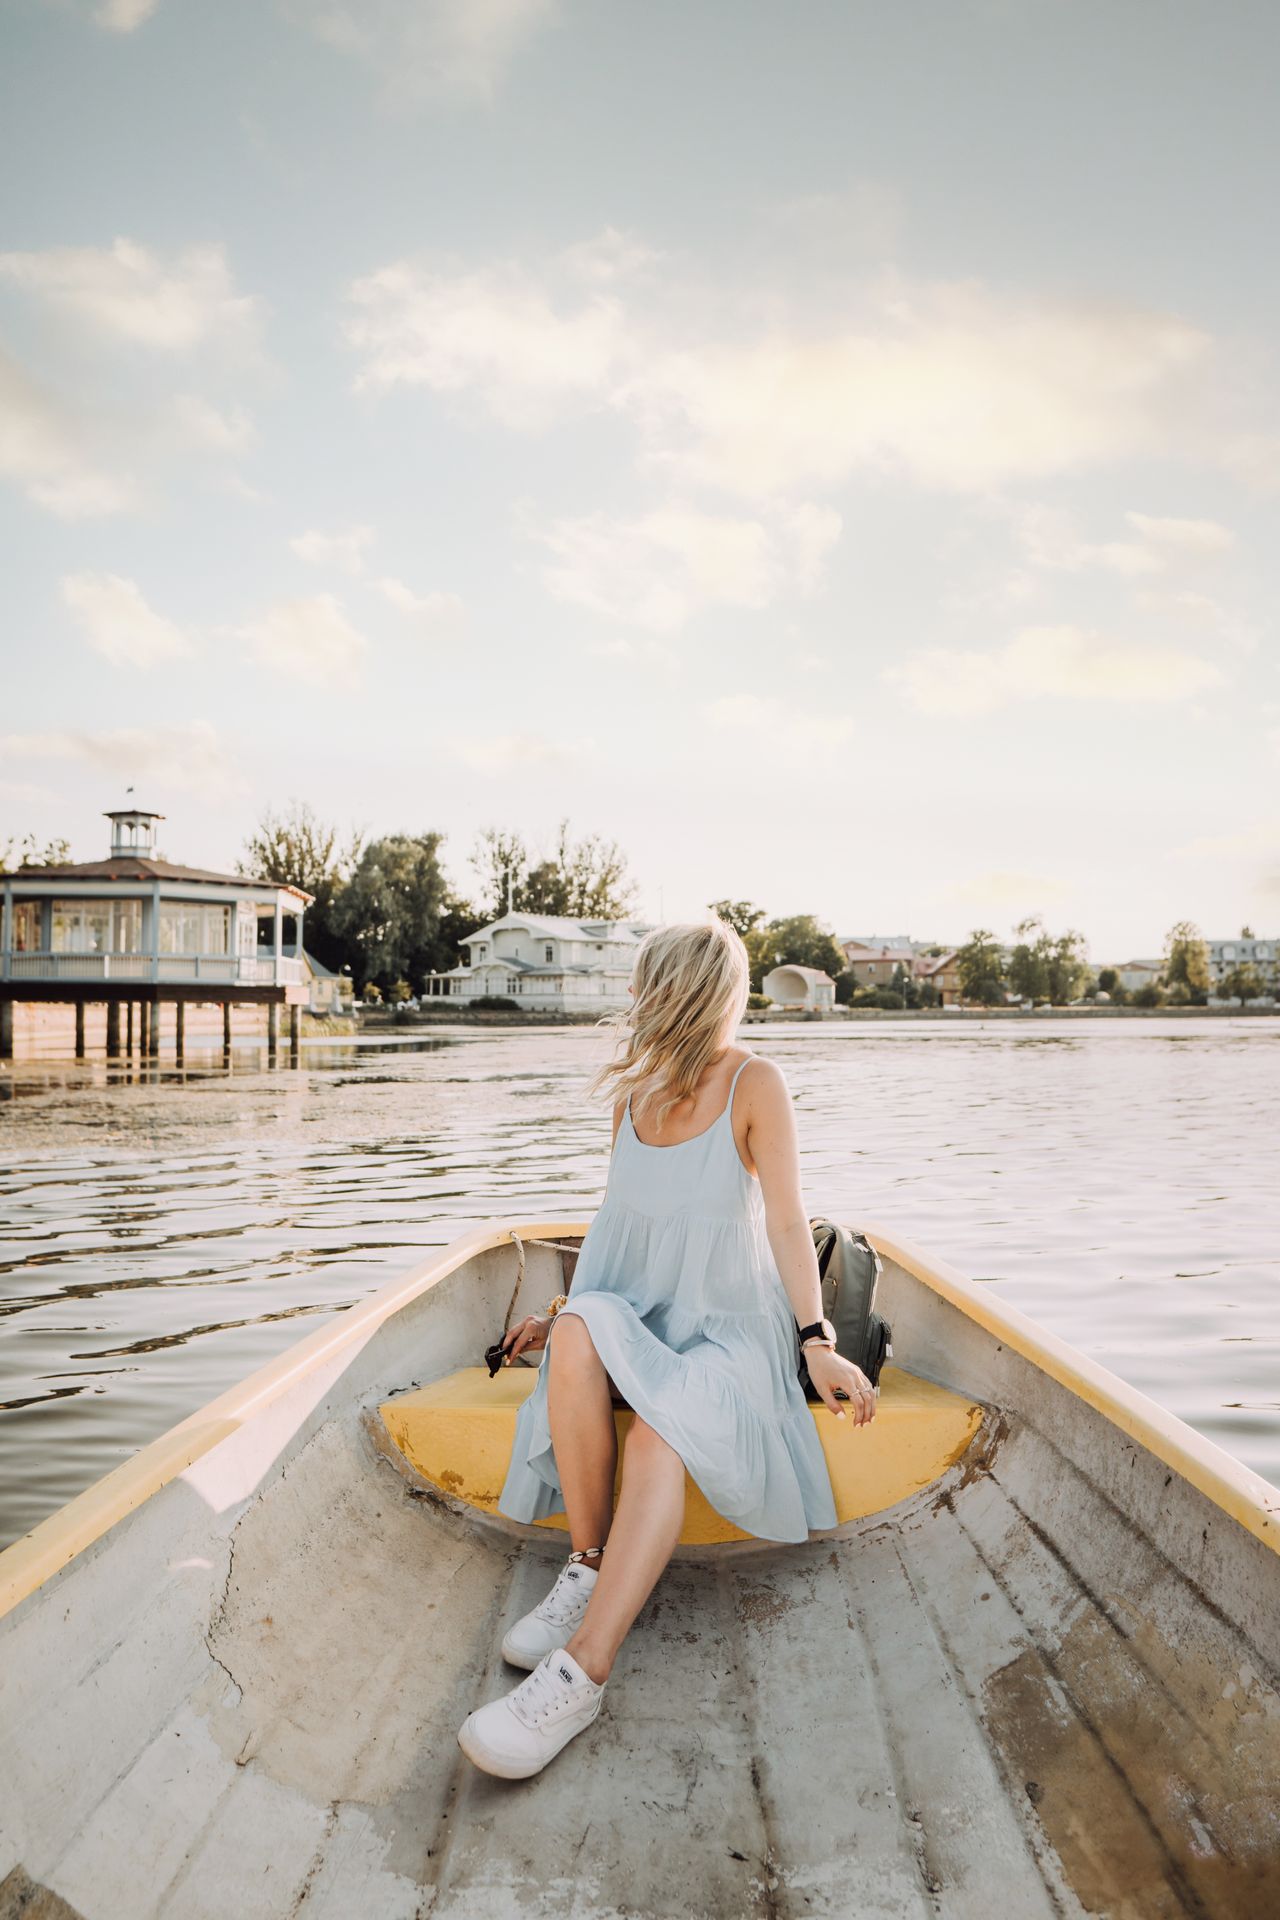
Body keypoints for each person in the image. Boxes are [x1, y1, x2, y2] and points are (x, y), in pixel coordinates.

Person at [456, 918, 877, 1779]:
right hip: (647, 1315)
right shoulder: (634, 1094)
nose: (639, 999)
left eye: (648, 983)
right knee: (577, 1331)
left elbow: (790, 1220)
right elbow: (621, 1232)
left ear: (674, 990)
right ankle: (585, 1563)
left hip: (732, 1333)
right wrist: (564, 1310)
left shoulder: (756, 1082)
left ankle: (582, 1673)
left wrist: (817, 1342)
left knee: (659, 1432)